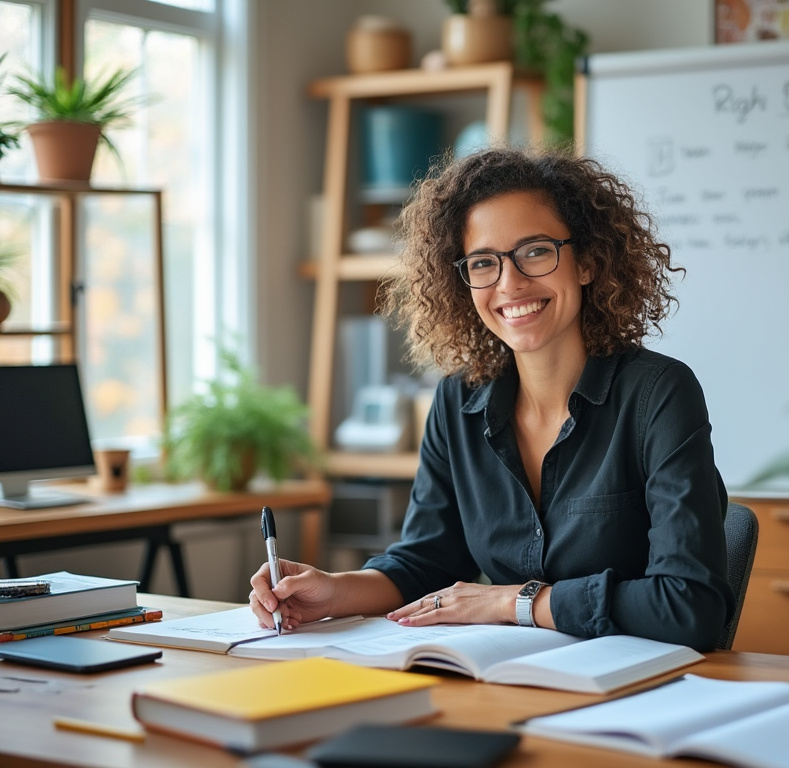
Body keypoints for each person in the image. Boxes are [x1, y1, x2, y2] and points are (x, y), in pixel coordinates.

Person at [250, 146, 734, 650]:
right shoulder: (457, 401)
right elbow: (425, 562)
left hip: (637, 692)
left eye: (536, 251)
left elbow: (690, 605)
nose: (511, 283)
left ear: (587, 261)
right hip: (508, 678)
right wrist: (334, 591)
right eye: (484, 262)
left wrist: (514, 601)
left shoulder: (659, 394)